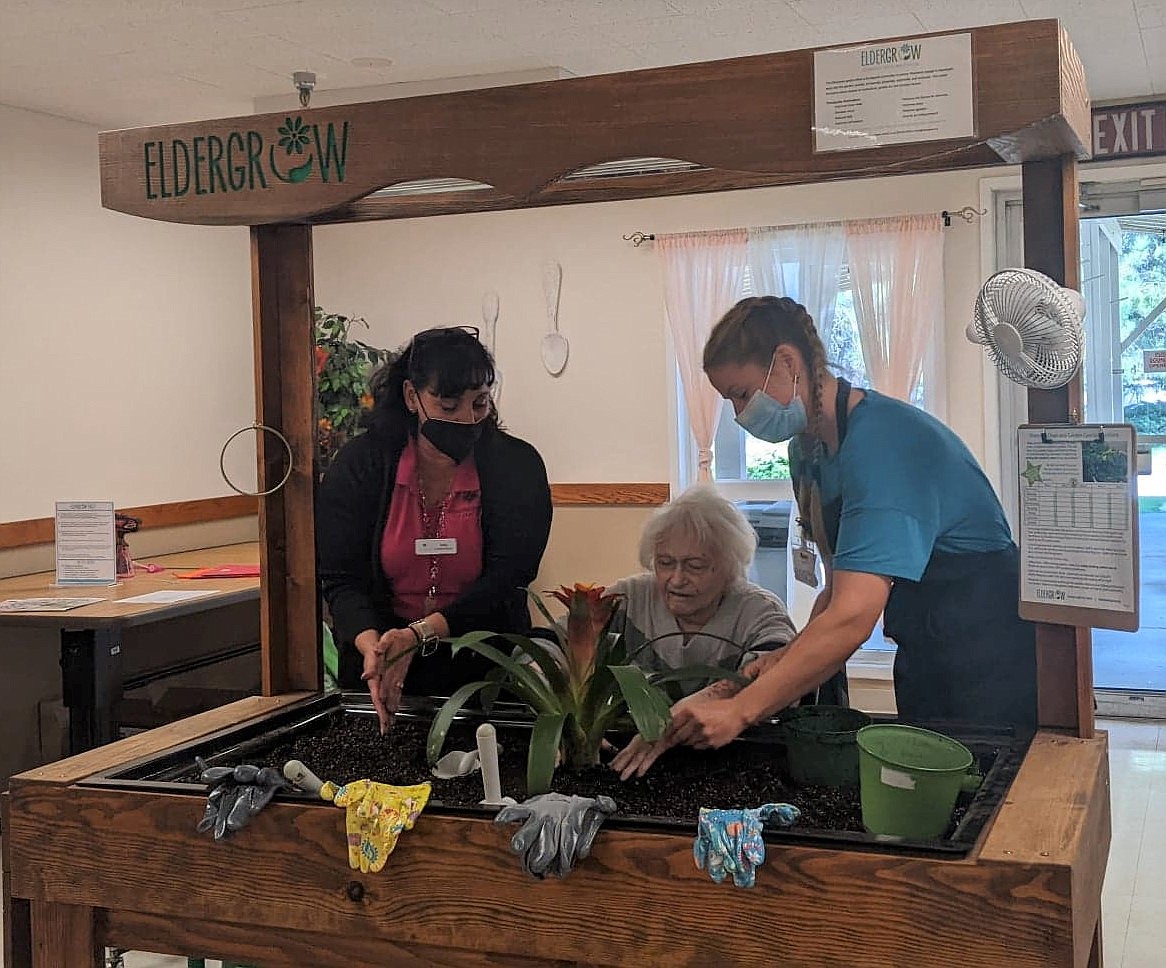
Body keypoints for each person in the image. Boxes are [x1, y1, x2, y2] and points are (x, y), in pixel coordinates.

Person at [614, 296, 1036, 778]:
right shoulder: (809, 451)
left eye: (742, 394)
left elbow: (854, 616)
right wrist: (782, 661)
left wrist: (744, 710)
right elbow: (836, 590)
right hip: (925, 643)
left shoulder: (884, 445)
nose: (738, 414)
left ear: (788, 363)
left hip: (990, 648)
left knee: (982, 794)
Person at [317, 326, 553, 733]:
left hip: (486, 668)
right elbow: (342, 579)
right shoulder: (362, 465)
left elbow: (508, 580)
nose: (467, 419)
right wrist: (375, 649)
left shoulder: (517, 466)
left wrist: (420, 635)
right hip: (379, 666)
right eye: (449, 406)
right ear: (412, 397)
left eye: (479, 404)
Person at [607, 485, 796, 691]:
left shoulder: (760, 613)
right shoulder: (628, 599)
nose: (677, 579)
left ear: (730, 567)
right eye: (665, 563)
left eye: (695, 565)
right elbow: (568, 644)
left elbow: (779, 676)